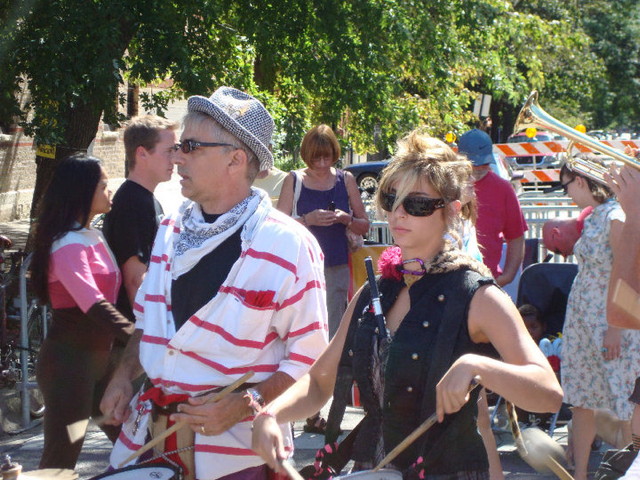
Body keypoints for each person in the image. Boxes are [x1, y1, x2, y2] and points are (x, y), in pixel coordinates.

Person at [252, 131, 562, 479]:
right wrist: (269, 415)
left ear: (452, 210)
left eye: (416, 203)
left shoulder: (478, 295)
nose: (398, 213)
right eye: (391, 199)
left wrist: (478, 366)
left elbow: (549, 395)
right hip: (374, 468)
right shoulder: (376, 291)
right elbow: (319, 382)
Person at [100, 86, 328, 480]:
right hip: (151, 446)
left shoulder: (287, 244)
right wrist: (123, 375)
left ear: (235, 160)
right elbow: (150, 324)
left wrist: (247, 404)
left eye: (190, 145)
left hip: (237, 460)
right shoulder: (171, 227)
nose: (177, 156)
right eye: (177, 147)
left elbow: (312, 364)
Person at [29, 154, 135, 469]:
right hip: (69, 369)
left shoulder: (92, 235)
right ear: (83, 191)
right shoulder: (66, 244)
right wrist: (138, 336)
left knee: (134, 445)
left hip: (102, 364)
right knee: (62, 459)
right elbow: (93, 303)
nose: (109, 191)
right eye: (103, 185)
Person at [276, 124, 369, 435]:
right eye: (316, 158)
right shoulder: (295, 180)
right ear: (307, 156)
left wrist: (345, 220)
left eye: (327, 157)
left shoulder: (346, 180)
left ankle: (319, 409)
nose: (322, 164)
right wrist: (308, 221)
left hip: (335, 269)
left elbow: (364, 225)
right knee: (298, 340)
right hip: (299, 272)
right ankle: (302, 407)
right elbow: (278, 223)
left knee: (330, 342)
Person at [558, 160, 640, 480]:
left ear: (580, 181)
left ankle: (629, 469)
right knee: (582, 400)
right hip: (585, 324)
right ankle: (580, 474)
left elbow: (628, 271)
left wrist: (616, 329)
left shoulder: (615, 216)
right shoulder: (595, 217)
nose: (567, 195)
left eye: (566, 186)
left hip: (608, 325)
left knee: (624, 402)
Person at [102, 115, 178, 324]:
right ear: (142, 153)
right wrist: (152, 333)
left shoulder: (144, 199)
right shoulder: (133, 203)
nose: (175, 159)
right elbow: (135, 281)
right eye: (168, 151)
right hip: (134, 335)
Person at [457, 129, 527, 287]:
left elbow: (516, 236)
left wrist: (507, 276)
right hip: (450, 281)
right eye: (475, 165)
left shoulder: (503, 188)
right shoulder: (446, 185)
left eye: (486, 164)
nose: (481, 169)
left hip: (487, 281)